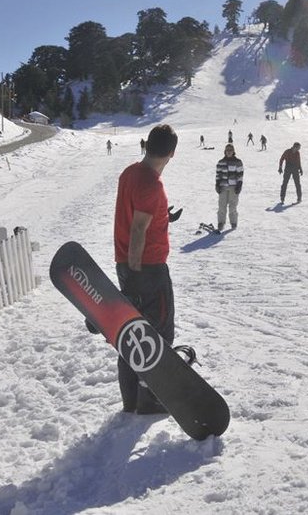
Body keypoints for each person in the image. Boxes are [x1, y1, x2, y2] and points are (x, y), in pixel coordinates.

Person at [113, 124, 179, 414]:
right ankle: (149, 398)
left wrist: (162, 217)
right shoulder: (152, 185)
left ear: (147, 145)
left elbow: (137, 217)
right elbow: (138, 230)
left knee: (132, 333)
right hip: (146, 270)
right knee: (159, 334)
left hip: (126, 262)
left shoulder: (130, 173)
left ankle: (132, 399)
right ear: (172, 153)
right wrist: (136, 280)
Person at [214, 143, 243, 232]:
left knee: (233, 206)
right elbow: (218, 174)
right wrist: (217, 184)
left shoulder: (238, 162)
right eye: (227, 150)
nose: (229, 152)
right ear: (225, 151)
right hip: (223, 187)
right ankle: (221, 222)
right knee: (221, 206)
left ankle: (233, 222)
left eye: (230, 150)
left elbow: (240, 174)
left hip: (233, 187)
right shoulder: (221, 162)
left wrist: (239, 185)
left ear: (233, 151)